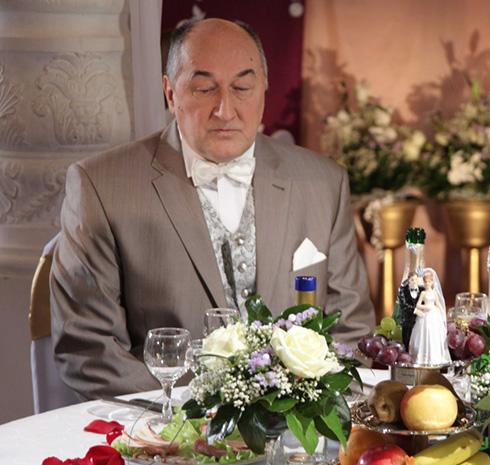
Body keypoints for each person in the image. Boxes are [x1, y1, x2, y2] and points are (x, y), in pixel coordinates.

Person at [50, 18, 374, 399]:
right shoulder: (101, 186)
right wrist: (192, 413)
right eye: (204, 89)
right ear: (170, 93)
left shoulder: (324, 183)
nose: (225, 110)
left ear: (264, 89)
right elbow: (90, 350)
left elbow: (351, 332)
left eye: (242, 88)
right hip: (166, 425)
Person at [408, 268, 451, 366]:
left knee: (434, 334)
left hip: (434, 314)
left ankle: (435, 357)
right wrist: (425, 307)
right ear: (423, 282)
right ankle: (423, 357)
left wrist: (443, 313)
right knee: (425, 333)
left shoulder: (434, 293)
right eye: (425, 282)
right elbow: (418, 305)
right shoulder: (423, 293)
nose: (427, 284)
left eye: (429, 282)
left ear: (432, 282)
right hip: (425, 315)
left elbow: (438, 303)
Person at [395, 271, 421, 349]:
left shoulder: (422, 290)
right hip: (407, 319)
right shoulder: (403, 290)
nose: (414, 281)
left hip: (419, 319)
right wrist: (415, 310)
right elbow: (403, 305)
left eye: (416, 279)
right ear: (408, 280)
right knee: (406, 339)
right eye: (412, 280)